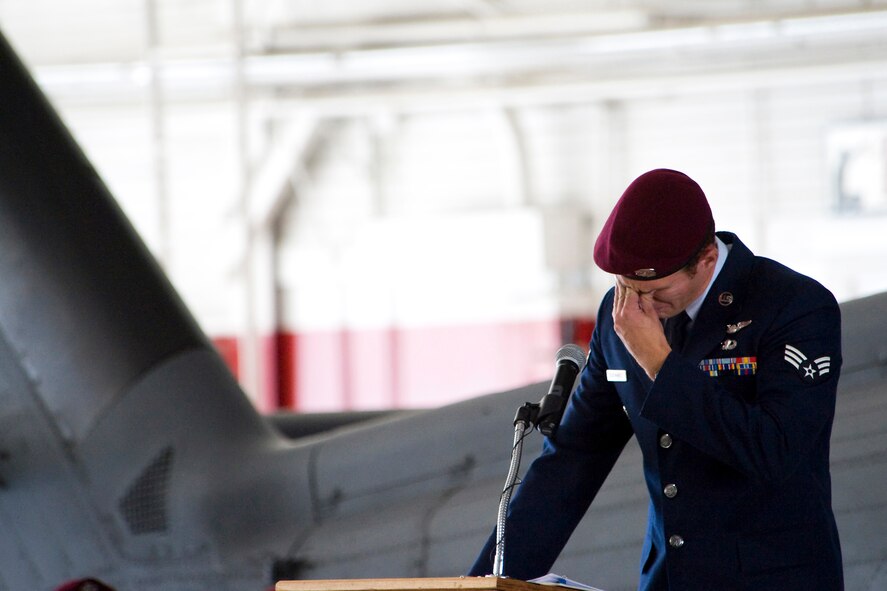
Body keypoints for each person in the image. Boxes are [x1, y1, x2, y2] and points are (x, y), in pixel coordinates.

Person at [468, 169, 843, 590]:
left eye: (653, 291)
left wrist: (660, 365)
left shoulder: (792, 306)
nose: (637, 307)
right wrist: (487, 580)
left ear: (705, 259)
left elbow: (775, 451)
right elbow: (573, 459)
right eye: (626, 287)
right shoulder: (621, 315)